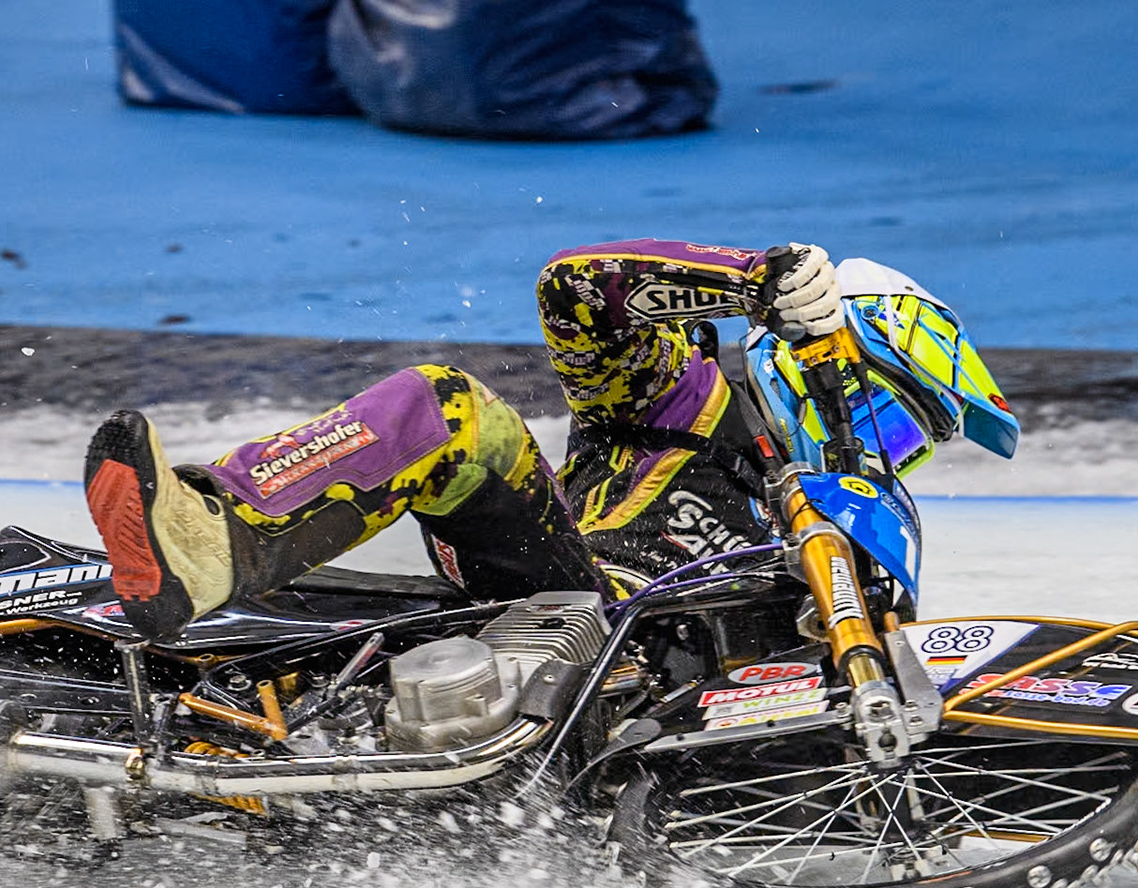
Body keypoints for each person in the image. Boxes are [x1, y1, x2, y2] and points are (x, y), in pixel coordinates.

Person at [83, 240, 953, 638]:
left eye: (912, 438)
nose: (891, 448)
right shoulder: (681, 392)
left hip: (682, 696)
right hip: (571, 596)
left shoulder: (843, 511)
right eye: (891, 413)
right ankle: (212, 541)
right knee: (448, 404)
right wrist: (750, 279)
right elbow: (572, 289)